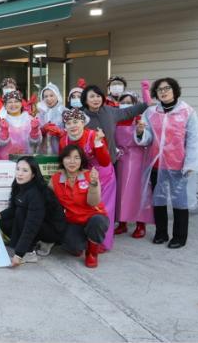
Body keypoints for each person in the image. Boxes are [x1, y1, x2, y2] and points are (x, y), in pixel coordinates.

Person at [136, 77, 198, 249]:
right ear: (156, 93)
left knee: (179, 201)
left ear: (174, 90)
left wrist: (191, 164)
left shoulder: (187, 112)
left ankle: (179, 237)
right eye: (160, 89)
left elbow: (194, 139)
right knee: (158, 200)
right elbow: (148, 138)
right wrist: (140, 132)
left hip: (178, 165)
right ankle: (161, 233)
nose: (163, 92)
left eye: (167, 88)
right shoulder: (151, 112)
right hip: (157, 164)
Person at [0, 157, 66, 266]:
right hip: (39, 223)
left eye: (25, 170)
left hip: (53, 230)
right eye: (18, 169)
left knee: (22, 213)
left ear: (33, 174)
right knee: (6, 222)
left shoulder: (36, 194)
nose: (19, 173)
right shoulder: (18, 185)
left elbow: (31, 226)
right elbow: (14, 207)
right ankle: (35, 242)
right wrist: (0, 215)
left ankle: (30, 252)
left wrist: (19, 254)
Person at [58, 108, 115, 251]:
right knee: (82, 207)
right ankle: (82, 239)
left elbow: (105, 161)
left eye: (76, 121)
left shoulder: (93, 135)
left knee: (102, 208)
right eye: (68, 123)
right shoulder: (64, 140)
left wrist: (98, 143)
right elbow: (63, 162)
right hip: (79, 176)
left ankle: (100, 243)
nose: (72, 125)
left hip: (102, 175)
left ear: (83, 123)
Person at [50, 145, 109, 268]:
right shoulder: (55, 179)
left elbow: (93, 202)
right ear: (62, 160)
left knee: (97, 221)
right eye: (68, 157)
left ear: (82, 160)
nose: (72, 161)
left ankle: (92, 253)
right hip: (74, 221)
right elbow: (49, 202)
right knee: (73, 248)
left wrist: (93, 184)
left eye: (76, 158)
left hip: (93, 217)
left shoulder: (89, 176)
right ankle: (87, 241)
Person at [113, 91, 153, 238]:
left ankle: (140, 224)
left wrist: (140, 132)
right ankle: (122, 222)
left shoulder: (140, 118)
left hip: (137, 160)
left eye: (129, 102)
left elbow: (149, 139)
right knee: (120, 192)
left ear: (135, 104)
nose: (126, 105)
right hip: (120, 159)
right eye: (123, 102)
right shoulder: (115, 119)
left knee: (138, 192)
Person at [82, 84, 149, 164]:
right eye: (92, 96)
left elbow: (127, 112)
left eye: (98, 96)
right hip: (91, 163)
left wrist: (145, 105)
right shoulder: (82, 117)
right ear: (85, 100)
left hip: (111, 161)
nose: (96, 99)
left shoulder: (109, 111)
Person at [0, 91, 41, 159]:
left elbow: (36, 142)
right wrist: (4, 132)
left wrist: (34, 131)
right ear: (5, 105)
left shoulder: (30, 119)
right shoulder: (2, 120)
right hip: (6, 160)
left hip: (26, 160)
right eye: (10, 102)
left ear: (21, 103)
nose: (13, 104)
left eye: (16, 101)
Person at [36, 83, 66, 155]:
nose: (48, 99)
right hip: (43, 151)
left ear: (57, 96)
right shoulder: (40, 113)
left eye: (51, 95)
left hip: (61, 149)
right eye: (45, 96)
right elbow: (34, 136)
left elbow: (71, 131)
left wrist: (61, 132)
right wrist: (42, 130)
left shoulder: (64, 111)